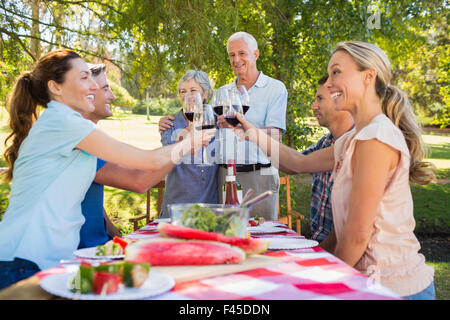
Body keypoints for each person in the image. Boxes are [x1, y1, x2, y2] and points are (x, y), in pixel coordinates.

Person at [234, 41, 436, 300]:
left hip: (392, 288)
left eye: (336, 72)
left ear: (368, 76)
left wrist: (319, 287)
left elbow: (355, 237)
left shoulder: (376, 138)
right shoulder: (357, 137)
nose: (328, 83)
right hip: (367, 283)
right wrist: (250, 132)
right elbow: (298, 163)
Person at [0, 49, 214, 289]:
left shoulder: (69, 126)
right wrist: (189, 142)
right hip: (22, 260)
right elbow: (147, 161)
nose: (93, 86)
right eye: (84, 77)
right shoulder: (63, 122)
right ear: (56, 87)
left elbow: (138, 178)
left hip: (43, 260)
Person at [159, 31, 288, 221]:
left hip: (258, 175)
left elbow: (275, 136)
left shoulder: (275, 88)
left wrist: (243, 130)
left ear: (256, 54)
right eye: (232, 55)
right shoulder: (223, 92)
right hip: (224, 176)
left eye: (242, 53)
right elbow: (200, 120)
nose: (236, 59)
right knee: (224, 231)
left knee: (262, 232)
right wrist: (167, 124)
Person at [78, 63, 176, 248]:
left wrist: (118, 239)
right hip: (75, 256)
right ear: (87, 93)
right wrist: (185, 145)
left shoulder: (87, 136)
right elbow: (139, 180)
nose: (113, 96)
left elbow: (92, 202)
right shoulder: (80, 139)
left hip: (97, 248)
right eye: (106, 89)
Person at [299, 75, 354, 243]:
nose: (313, 106)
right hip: (318, 243)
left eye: (320, 99)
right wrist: (251, 134)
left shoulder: (358, 145)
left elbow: (350, 230)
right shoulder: (325, 142)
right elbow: (294, 162)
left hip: (339, 252)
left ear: (341, 101)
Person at [159, 70, 218, 218]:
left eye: (193, 90)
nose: (188, 96)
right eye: (183, 91)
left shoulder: (217, 121)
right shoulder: (169, 124)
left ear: (205, 94)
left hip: (209, 210)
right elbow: (168, 156)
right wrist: (189, 130)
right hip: (176, 209)